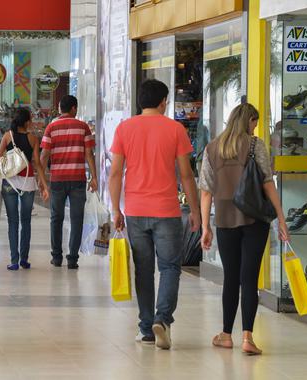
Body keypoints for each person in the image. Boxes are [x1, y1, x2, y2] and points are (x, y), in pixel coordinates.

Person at [108, 79, 201, 350]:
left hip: (136, 211)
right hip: (167, 211)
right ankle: (163, 319)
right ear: (163, 102)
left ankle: (147, 329)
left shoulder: (125, 128)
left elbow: (115, 173)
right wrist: (194, 210)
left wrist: (116, 209)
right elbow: (186, 174)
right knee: (170, 267)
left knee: (144, 271)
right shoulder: (175, 129)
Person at [199, 103, 290, 356]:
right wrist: (281, 219)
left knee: (231, 277)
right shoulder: (254, 145)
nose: (255, 128)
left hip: (225, 221)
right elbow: (267, 183)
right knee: (249, 278)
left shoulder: (212, 148)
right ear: (248, 120)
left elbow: (206, 191)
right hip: (255, 219)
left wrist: (206, 227)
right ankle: (248, 337)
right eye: (254, 123)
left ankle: (226, 335)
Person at [40, 95, 98, 270]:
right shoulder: (83, 127)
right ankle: (72, 258)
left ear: (60, 109)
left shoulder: (51, 127)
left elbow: (44, 156)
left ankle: (56, 257)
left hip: (57, 179)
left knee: (56, 218)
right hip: (77, 179)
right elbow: (89, 154)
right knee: (76, 219)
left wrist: (41, 180)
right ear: (74, 108)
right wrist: (94, 177)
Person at [0, 108, 49, 270]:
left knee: (13, 222)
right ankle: (24, 259)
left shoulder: (7, 136)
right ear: (26, 122)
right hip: (28, 182)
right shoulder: (33, 138)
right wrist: (44, 185)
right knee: (26, 221)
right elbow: (37, 164)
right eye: (30, 119)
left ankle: (14, 261)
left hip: (10, 182)